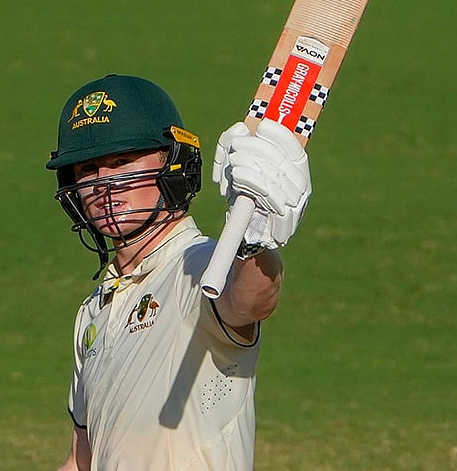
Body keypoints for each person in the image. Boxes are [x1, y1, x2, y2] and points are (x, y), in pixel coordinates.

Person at [46, 74, 311, 471]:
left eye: (122, 161)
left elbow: (251, 300)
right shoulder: (94, 310)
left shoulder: (200, 266)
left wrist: (255, 239)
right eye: (88, 169)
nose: (105, 183)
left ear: (172, 165)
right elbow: (81, 459)